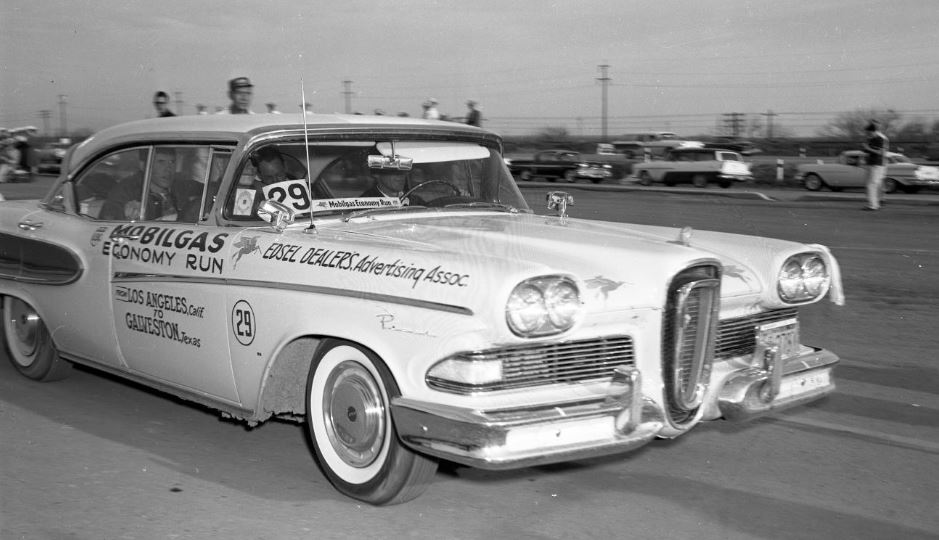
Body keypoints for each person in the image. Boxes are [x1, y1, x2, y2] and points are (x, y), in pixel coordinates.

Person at [100, 148, 182, 220]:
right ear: (144, 165)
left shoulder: (182, 188)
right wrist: (126, 217)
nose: (168, 169)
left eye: (172, 162)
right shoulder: (126, 192)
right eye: (161, 162)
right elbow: (109, 223)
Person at [861, 120, 889, 211]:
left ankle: (873, 205)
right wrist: (865, 149)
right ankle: (874, 203)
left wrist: (868, 148)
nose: (867, 134)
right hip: (870, 163)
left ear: (873, 131)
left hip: (877, 164)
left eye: (868, 132)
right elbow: (868, 151)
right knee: (870, 185)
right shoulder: (870, 139)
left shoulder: (880, 139)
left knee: (872, 185)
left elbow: (881, 152)